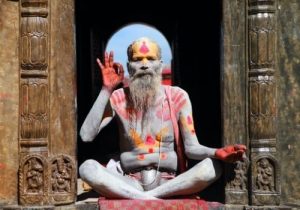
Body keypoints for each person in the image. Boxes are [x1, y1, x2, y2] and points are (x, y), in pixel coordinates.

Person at [79, 37, 246, 200]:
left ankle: (146, 198)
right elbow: (86, 135)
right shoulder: (118, 98)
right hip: (130, 182)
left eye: (150, 58)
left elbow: (191, 148)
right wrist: (106, 90)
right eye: (138, 59)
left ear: (160, 65)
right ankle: (147, 197)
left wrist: (217, 152)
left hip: (170, 182)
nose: (144, 64)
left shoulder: (177, 97)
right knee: (87, 168)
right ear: (129, 66)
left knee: (213, 167)